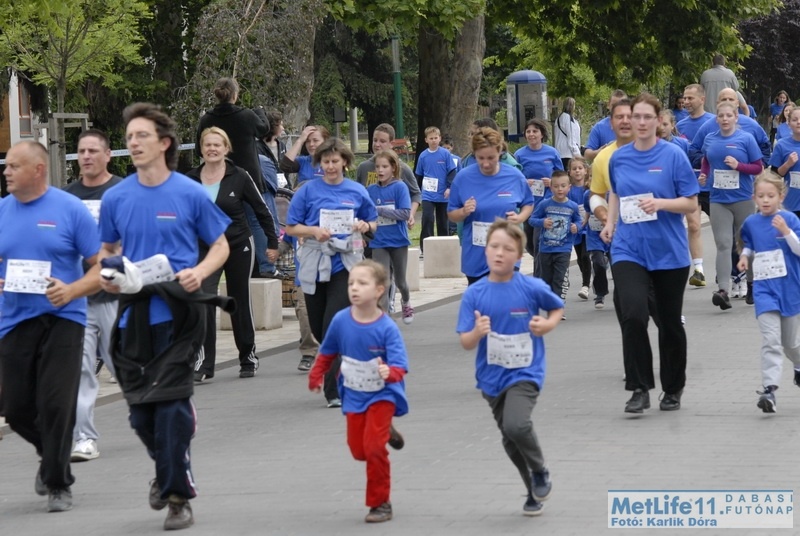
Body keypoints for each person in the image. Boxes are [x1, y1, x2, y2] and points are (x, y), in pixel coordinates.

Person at [99, 103, 232, 530]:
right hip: (134, 315)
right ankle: (167, 468)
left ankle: (177, 496)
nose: (133, 142)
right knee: (142, 414)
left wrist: (200, 271)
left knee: (171, 408)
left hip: (180, 314)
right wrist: (108, 275)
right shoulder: (116, 197)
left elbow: (220, 246)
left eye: (142, 136)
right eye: (130, 137)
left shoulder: (189, 193)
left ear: (164, 143)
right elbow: (107, 251)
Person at [0, 140, 102, 512]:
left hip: (65, 318)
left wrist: (71, 289)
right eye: (6, 166)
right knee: (15, 408)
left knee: (56, 403)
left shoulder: (69, 209)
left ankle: (59, 483)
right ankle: (50, 454)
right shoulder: (2, 211)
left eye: (13, 166)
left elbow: (101, 266)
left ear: (38, 170)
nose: (6, 172)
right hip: (15, 319)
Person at [456, 220, 563, 517]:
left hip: (526, 371)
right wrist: (477, 332)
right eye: (494, 247)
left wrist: (548, 324)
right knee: (509, 437)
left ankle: (539, 469)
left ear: (518, 255)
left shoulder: (530, 287)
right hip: (491, 377)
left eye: (507, 248)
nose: (499, 253)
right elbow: (465, 341)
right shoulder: (475, 294)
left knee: (517, 425)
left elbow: (556, 307)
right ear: (485, 250)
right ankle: (532, 491)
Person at [600, 93, 699, 414]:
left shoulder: (673, 156)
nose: (640, 122)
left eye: (647, 117)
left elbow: (691, 203)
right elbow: (615, 193)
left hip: (668, 252)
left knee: (669, 324)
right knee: (632, 314)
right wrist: (610, 223)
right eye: (636, 117)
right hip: (629, 249)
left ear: (658, 121)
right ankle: (639, 387)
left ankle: (673, 388)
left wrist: (660, 204)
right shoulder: (619, 158)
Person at [308, 260, 409, 523]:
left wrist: (390, 372)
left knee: (374, 449)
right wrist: (316, 375)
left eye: (362, 283)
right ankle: (386, 432)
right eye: (351, 282)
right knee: (359, 450)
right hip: (354, 394)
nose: (354, 288)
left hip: (382, 395)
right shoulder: (341, 321)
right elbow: (327, 352)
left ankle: (381, 503)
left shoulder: (387, 327)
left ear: (379, 290)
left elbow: (400, 364)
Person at [286, 137, 377, 408]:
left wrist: (364, 226)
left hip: (345, 264)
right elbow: (291, 227)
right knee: (318, 328)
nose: (330, 166)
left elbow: (372, 222)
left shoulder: (356, 190)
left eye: (335, 161)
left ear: (345, 162)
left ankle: (333, 390)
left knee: (332, 325)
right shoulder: (307, 191)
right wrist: (313, 231)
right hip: (315, 261)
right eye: (325, 162)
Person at [186, 126, 279, 381]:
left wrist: (272, 243)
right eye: (207, 145)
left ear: (226, 148)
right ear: (201, 149)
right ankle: (204, 365)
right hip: (205, 247)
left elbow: (262, 210)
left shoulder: (239, 175)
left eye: (217, 145)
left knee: (238, 300)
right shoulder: (190, 179)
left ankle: (248, 357)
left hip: (238, 244)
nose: (212, 149)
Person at [63, 129, 123, 463]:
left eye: (93, 151)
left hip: (116, 296)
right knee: (80, 370)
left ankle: (158, 418)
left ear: (108, 155)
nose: (86, 156)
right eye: (81, 151)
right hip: (79, 298)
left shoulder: (122, 192)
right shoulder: (67, 197)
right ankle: (84, 438)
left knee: (125, 367)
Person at [737, 173, 800, 413]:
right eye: (761, 196)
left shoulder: (790, 219)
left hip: (790, 288)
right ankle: (769, 389)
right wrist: (745, 257)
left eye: (770, 196)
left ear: (781, 197)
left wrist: (786, 231)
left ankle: (798, 365)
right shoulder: (751, 223)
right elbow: (749, 244)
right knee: (771, 340)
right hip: (764, 290)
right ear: (754, 197)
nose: (765, 200)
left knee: (790, 344)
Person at [698, 100, 763, 310]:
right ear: (716, 119)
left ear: (736, 117)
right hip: (719, 199)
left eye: (729, 115)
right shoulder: (710, 138)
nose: (725, 119)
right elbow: (707, 160)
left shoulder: (746, 138)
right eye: (721, 116)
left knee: (745, 243)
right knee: (724, 244)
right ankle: (723, 291)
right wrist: (704, 175)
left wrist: (739, 166)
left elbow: (758, 168)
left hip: (743, 198)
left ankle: (751, 284)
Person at [447, 127, 533, 284]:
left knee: (503, 296)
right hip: (476, 253)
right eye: (480, 158)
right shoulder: (463, 178)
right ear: (474, 154)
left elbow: (528, 203)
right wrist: (464, 211)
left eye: (491, 158)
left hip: (506, 251)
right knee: (481, 298)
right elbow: (452, 214)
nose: (486, 163)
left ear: (500, 151)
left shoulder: (514, 176)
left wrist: (520, 217)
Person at [367, 150, 414, 322]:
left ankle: (406, 301)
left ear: (393, 168)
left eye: (385, 166)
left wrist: (381, 210)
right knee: (383, 282)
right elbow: (365, 212)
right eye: (378, 167)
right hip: (379, 242)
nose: (380, 170)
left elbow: (405, 213)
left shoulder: (400, 187)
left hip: (398, 241)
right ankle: (384, 320)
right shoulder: (370, 190)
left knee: (401, 282)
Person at [678, 84, 717, 287]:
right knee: (693, 225)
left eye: (690, 98)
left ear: (702, 99)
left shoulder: (713, 121)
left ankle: (727, 267)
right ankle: (698, 270)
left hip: (712, 185)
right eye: (684, 98)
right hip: (690, 186)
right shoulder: (680, 125)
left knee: (721, 231)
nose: (686, 102)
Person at [514, 118, 563, 271]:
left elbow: (562, 177)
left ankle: (540, 275)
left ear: (542, 134)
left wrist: (552, 182)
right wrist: (524, 182)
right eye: (528, 131)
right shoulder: (519, 154)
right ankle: (545, 265)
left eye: (535, 131)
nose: (531, 134)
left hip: (546, 204)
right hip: (527, 205)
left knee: (538, 241)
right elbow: (513, 178)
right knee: (528, 243)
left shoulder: (552, 153)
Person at [529, 170, 581, 309]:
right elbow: (532, 219)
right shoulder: (544, 204)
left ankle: (557, 307)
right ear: (551, 187)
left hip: (564, 248)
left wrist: (576, 227)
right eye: (556, 186)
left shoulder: (572, 206)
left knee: (559, 279)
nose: (560, 189)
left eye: (563, 186)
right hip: (546, 248)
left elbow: (579, 220)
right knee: (547, 279)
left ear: (569, 187)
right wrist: (542, 222)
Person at [355, 123, 421, 227]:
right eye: (375, 140)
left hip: (394, 228)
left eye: (382, 141)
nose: (377, 144)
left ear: (391, 143)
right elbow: (357, 196)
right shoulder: (363, 167)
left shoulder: (402, 168)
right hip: (370, 228)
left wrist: (411, 215)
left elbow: (416, 194)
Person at [253, 110, 287, 278]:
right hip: (267, 186)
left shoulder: (281, 145)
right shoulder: (257, 147)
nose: (283, 127)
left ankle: (269, 265)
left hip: (281, 190)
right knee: (267, 221)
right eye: (280, 124)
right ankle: (266, 266)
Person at [415, 126, 457, 256]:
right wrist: (417, 192)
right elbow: (418, 175)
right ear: (426, 140)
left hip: (443, 193)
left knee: (442, 221)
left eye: (435, 138)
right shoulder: (423, 156)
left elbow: (452, 171)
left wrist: (449, 188)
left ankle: (443, 248)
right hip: (428, 194)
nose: (433, 140)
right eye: (431, 138)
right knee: (427, 218)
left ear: (439, 138)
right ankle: (426, 248)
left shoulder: (445, 154)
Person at [567, 158, 592, 302]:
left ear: (585, 170)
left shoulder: (589, 188)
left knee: (585, 255)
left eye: (580, 168)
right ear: (569, 172)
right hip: (576, 228)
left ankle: (585, 286)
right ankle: (587, 277)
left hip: (589, 227)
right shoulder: (569, 190)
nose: (577, 171)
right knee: (580, 258)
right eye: (574, 169)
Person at [769, 106, 800, 219]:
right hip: (791, 203)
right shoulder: (782, 145)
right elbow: (774, 174)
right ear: (789, 123)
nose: (799, 122)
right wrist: (788, 164)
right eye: (795, 120)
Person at [584, 89, 628, 161]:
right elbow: (587, 154)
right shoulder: (599, 127)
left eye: (621, 105)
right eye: (614, 105)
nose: (617, 108)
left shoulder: (634, 126)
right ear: (608, 105)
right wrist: (598, 152)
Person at [553, 97, 582, 170]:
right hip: (568, 154)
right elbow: (571, 138)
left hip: (560, 153)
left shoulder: (559, 118)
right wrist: (577, 154)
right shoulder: (568, 118)